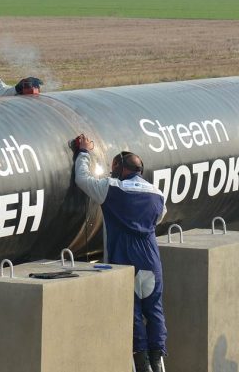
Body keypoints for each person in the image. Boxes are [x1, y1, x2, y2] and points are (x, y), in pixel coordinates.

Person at [71, 134, 168, 372]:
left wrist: (83, 152)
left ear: (120, 168)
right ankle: (158, 358)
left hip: (125, 258)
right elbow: (159, 218)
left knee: (132, 311)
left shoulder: (111, 188)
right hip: (151, 260)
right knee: (154, 310)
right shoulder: (157, 194)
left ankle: (141, 361)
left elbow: (82, 179)